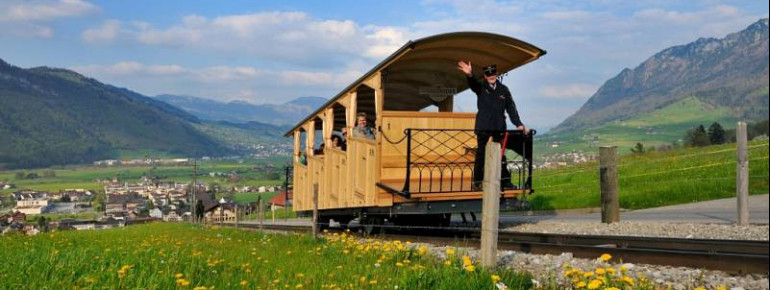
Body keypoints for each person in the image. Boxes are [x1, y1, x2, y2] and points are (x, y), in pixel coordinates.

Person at [457, 60, 529, 190]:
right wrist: (470, 74)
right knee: (481, 155)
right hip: (483, 127)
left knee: (501, 155)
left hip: (498, 127)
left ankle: (505, 182)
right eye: (488, 74)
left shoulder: (503, 90)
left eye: (493, 73)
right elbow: (473, 84)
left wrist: (518, 124)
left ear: (496, 74)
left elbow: (511, 108)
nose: (491, 76)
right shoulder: (481, 87)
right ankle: (477, 182)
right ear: (485, 76)